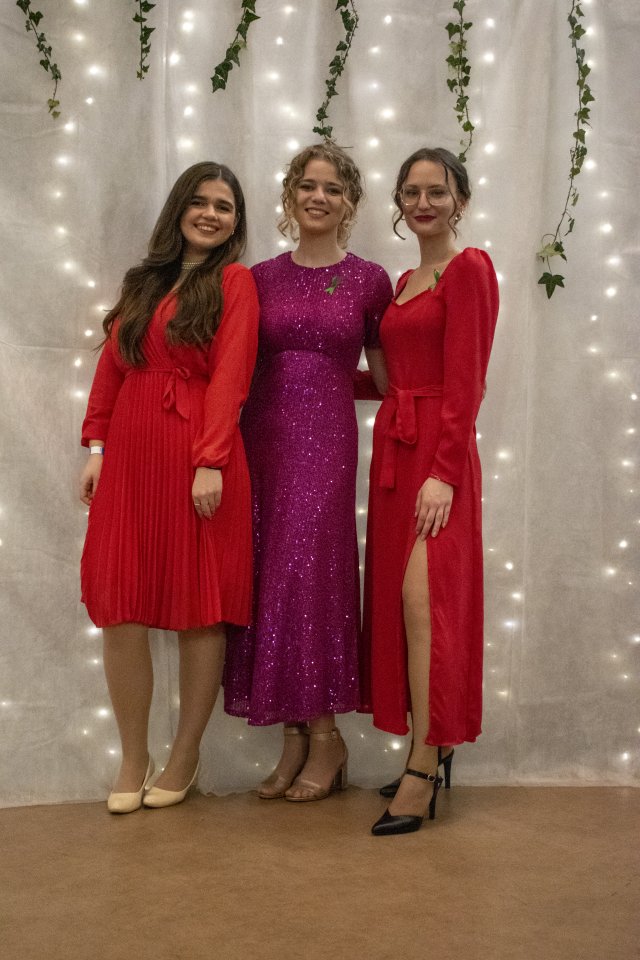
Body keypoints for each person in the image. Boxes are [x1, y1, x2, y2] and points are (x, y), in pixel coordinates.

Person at [79, 162, 259, 813]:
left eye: (225, 206)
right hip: (131, 457)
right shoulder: (144, 282)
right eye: (201, 202)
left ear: (236, 223)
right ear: (179, 209)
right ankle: (134, 756)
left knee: (199, 607)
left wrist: (210, 460)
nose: (211, 214)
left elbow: (232, 371)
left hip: (198, 456)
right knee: (120, 604)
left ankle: (185, 754)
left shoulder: (234, 282)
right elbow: (111, 368)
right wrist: (96, 446)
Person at [224, 143, 392, 801]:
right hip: (260, 441)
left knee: (312, 575)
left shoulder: (369, 280)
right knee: (270, 574)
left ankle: (327, 736)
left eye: (333, 189)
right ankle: (294, 736)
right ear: (291, 195)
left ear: (350, 203)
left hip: (326, 445)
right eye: (308, 186)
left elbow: (387, 377)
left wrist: (333, 381)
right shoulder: (258, 278)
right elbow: (241, 365)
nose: (319, 197)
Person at [360, 147, 499, 835]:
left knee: (426, 604)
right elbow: (395, 378)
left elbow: (467, 379)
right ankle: (428, 747)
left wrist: (445, 472)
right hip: (396, 448)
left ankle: (424, 764)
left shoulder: (469, 269)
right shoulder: (404, 280)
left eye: (436, 192)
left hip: (440, 456)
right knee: (403, 607)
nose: (422, 203)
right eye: (411, 192)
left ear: (459, 201)